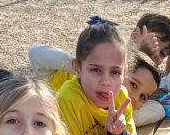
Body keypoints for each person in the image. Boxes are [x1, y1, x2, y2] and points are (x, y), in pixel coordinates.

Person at [54, 18, 144, 135]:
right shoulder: (68, 99)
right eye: (95, 69)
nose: (106, 81)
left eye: (115, 71)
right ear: (78, 68)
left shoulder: (121, 96)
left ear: (125, 72)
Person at [29, 43, 162, 126]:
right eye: (134, 85)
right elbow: (36, 52)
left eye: (144, 97)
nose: (135, 98)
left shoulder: (119, 116)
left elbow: (159, 110)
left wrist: (127, 119)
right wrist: (81, 70)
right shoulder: (67, 81)